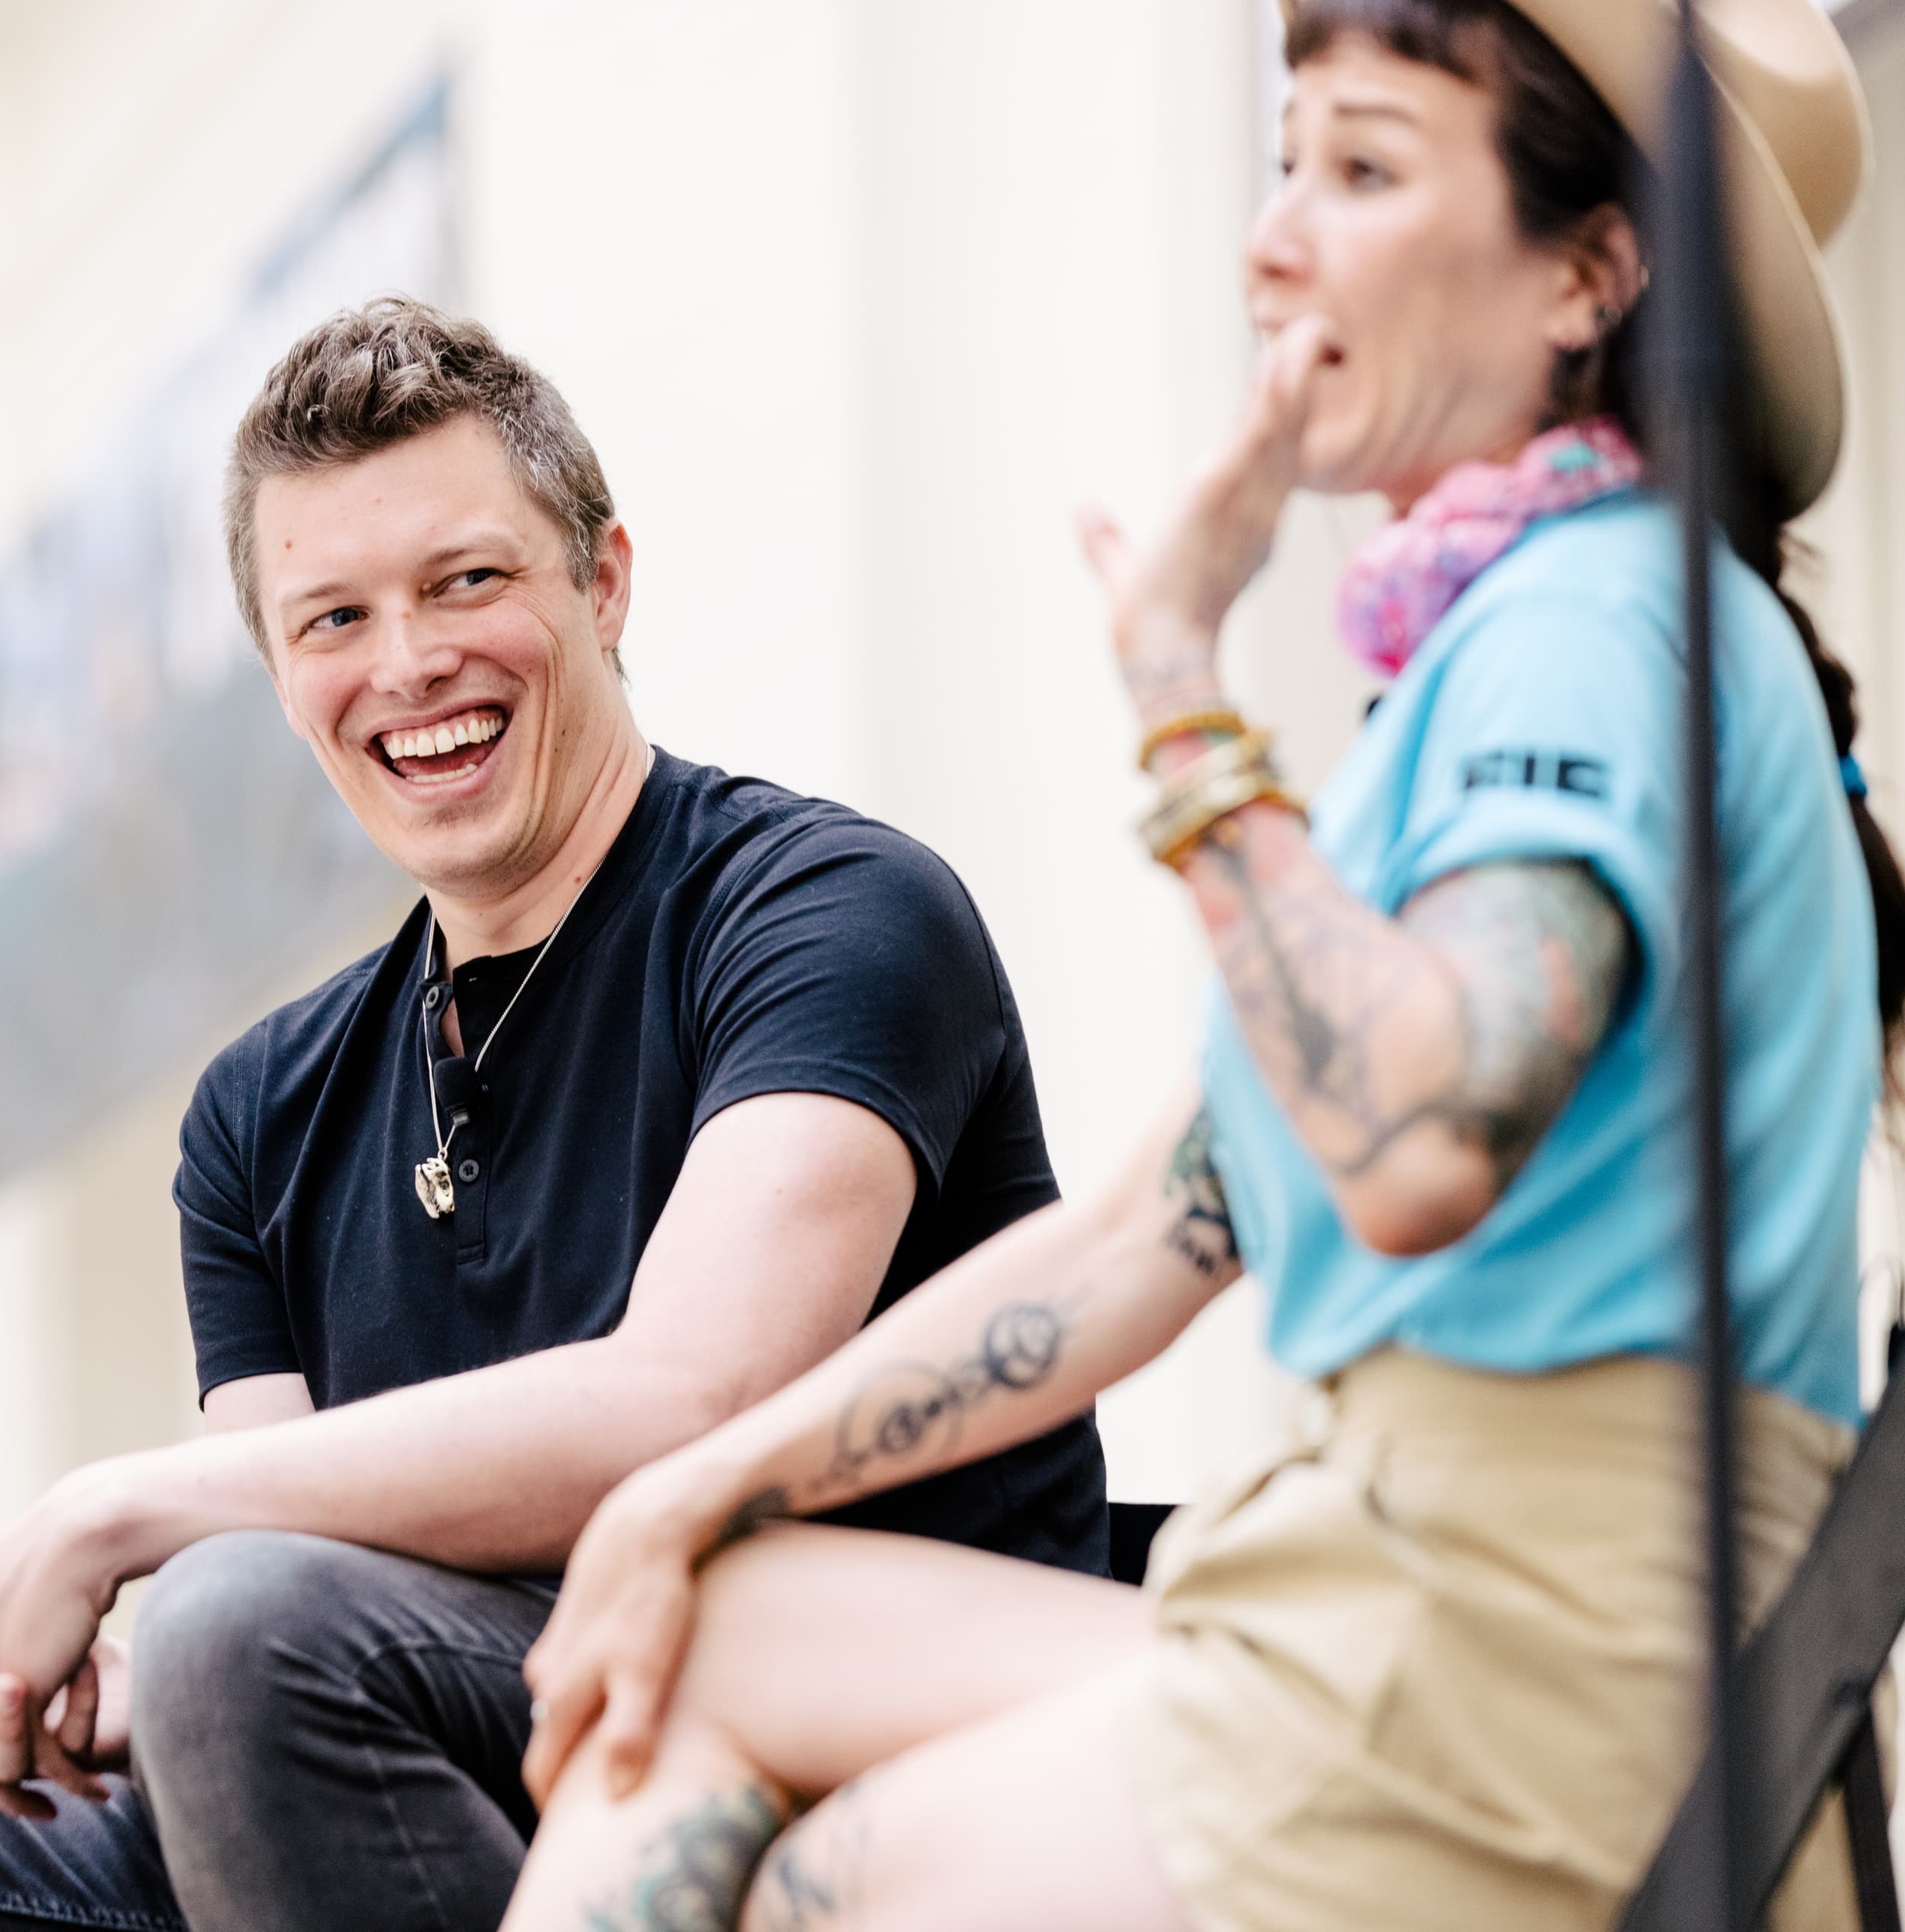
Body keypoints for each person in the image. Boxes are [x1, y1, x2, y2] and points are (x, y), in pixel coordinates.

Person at [496, 3, 1900, 1929]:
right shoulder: (1518, 653)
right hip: (1405, 1601)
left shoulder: (1596, 620)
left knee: (817, 1881)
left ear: (1589, 273)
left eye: (1365, 166)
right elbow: (1136, 1238)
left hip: (1532, 1662)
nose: (1272, 238)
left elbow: (1414, 1138)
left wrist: (1176, 684)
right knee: (707, 1637)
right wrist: (684, 1490)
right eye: (1281, 157)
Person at [0, 299, 1108, 1932]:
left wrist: (113, 1521)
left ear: (603, 582)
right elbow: (287, 1548)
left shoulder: (827, 911)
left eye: (466, 582)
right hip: (404, 1753)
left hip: (806, 1732)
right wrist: (91, 1688)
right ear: (278, 678)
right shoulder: (261, 1110)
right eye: (332, 617)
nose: (408, 665)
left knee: (242, 1618)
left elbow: (695, 1395)